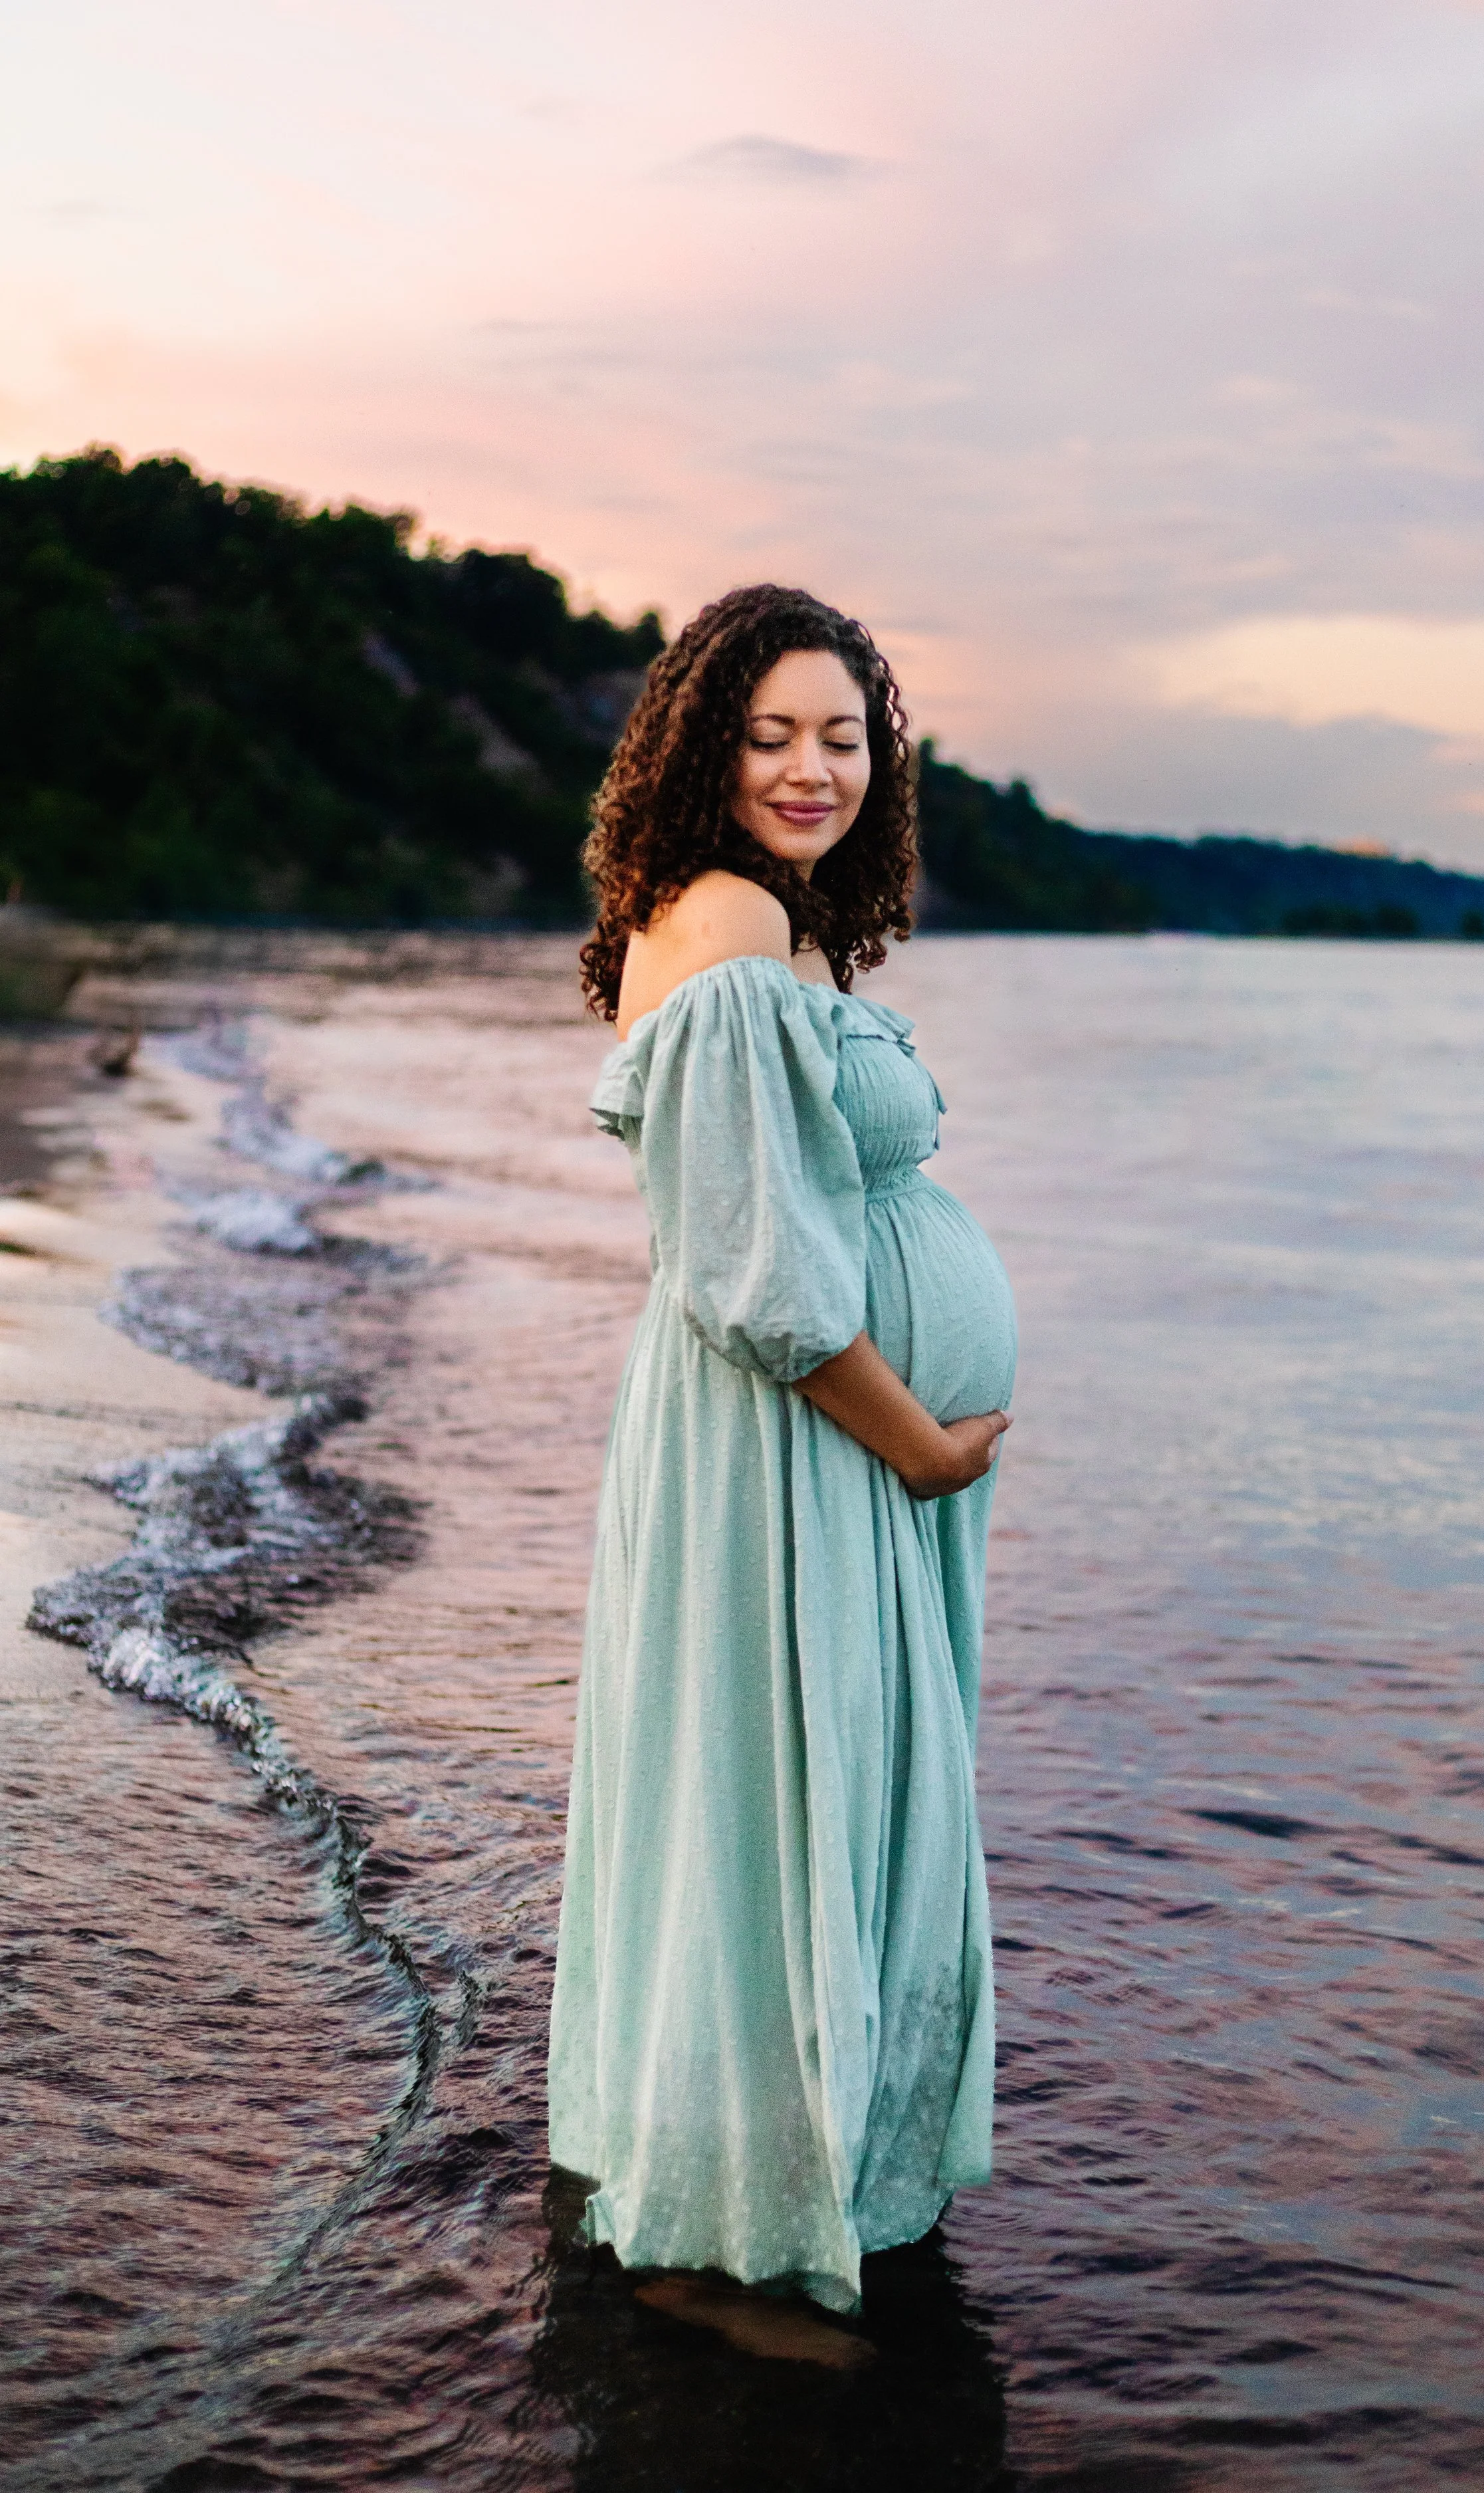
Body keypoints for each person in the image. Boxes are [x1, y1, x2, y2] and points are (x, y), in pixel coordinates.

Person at [548, 583, 1017, 2367]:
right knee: (768, 1806)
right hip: (789, 1445)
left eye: (843, 736)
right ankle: (712, 2244)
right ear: (701, 749)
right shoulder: (732, 922)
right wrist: (922, 1447)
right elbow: (763, 1280)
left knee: (770, 1801)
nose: (812, 768)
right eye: (770, 735)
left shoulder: (774, 923)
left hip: (806, 1442)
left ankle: (753, 2177)